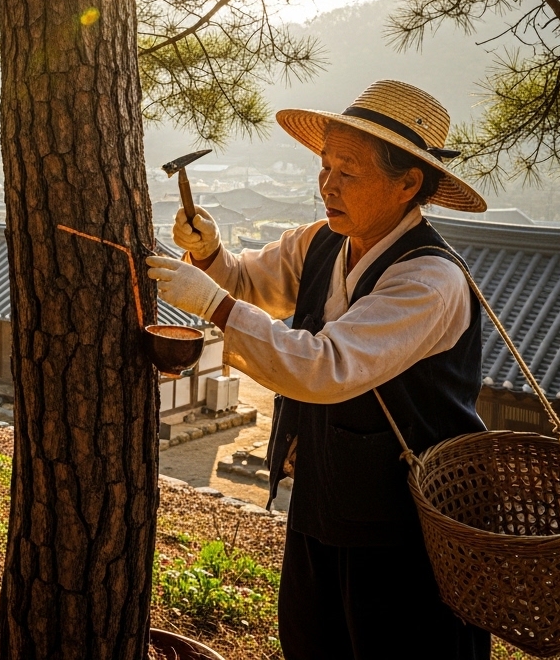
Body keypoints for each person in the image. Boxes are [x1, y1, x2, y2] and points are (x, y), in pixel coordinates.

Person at [146, 80, 491, 660]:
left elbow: (325, 366)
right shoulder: (324, 241)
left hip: (406, 527)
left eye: (348, 171)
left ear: (409, 184)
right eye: (325, 166)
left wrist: (215, 305)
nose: (327, 184)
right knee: (312, 640)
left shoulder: (429, 280)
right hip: (321, 497)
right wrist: (209, 255)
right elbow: (250, 281)